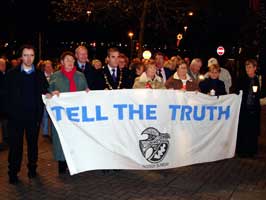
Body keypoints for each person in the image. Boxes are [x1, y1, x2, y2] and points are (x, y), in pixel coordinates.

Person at [5, 44, 49, 184]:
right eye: (25, 55)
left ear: (34, 57)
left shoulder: (39, 74)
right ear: (21, 57)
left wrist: (51, 93)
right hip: (15, 118)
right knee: (15, 146)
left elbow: (45, 91)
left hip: (33, 117)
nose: (28, 58)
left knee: (32, 145)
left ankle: (32, 169)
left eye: (31, 55)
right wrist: (9, 113)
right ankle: (13, 172)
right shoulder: (11, 74)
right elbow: (5, 95)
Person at [48, 51, 88, 174]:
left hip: (76, 115)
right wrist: (51, 94)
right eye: (67, 60)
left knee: (76, 137)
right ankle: (62, 163)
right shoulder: (55, 76)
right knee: (62, 139)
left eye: (72, 60)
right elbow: (48, 93)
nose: (70, 62)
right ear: (61, 62)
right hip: (62, 116)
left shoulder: (80, 76)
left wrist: (87, 92)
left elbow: (85, 91)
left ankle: (76, 163)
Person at [236, 59, 261, 158]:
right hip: (244, 108)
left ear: (255, 68)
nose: (247, 69)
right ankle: (242, 151)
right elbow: (237, 92)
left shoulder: (257, 79)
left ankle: (251, 151)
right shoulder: (242, 79)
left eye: (250, 67)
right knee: (243, 129)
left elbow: (261, 94)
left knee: (253, 131)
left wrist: (257, 93)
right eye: (246, 67)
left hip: (254, 109)